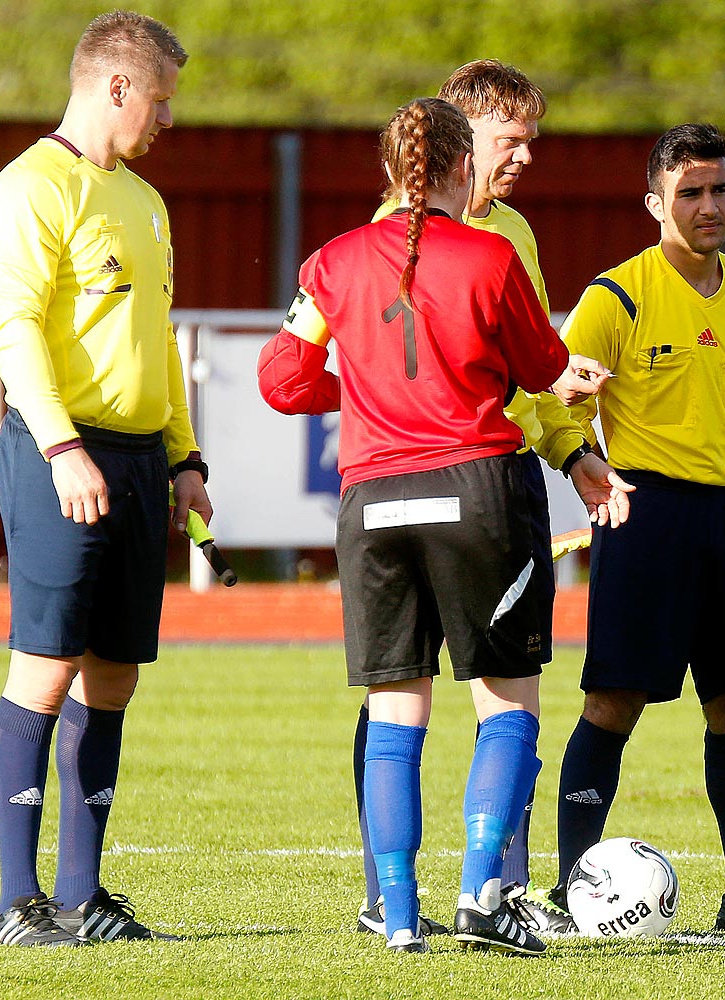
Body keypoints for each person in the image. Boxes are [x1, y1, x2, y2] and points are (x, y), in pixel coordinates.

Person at [256, 97, 586, 955]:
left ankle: (399, 918)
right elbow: (542, 366)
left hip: (372, 502)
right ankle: (484, 894)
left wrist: (366, 387)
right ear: (459, 167)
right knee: (507, 698)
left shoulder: (332, 260)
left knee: (397, 710)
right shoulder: (490, 254)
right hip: (476, 489)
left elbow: (283, 381)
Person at [351, 59, 627, 940]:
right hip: (465, 484)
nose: (525, 160)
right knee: (461, 698)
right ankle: (404, 893)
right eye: (512, 142)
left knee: (442, 698)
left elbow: (527, 374)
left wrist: (573, 452)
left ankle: (478, 894)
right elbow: (534, 365)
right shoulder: (394, 237)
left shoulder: (513, 234)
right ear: (460, 138)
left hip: (437, 482)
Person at [547, 123, 725, 933]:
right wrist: (581, 459)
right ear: (654, 203)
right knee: (614, 700)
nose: (710, 206)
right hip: (645, 514)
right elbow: (546, 394)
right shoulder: (616, 296)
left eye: (721, 190)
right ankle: (573, 891)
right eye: (691, 192)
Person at [0, 10, 211, 947]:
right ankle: (14, 901)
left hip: (138, 460)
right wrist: (62, 446)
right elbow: (15, 329)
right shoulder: (30, 187)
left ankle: (81, 895)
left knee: (112, 678)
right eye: (159, 99)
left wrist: (184, 459)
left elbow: (157, 338)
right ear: (116, 86)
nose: (166, 119)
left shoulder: (147, 203)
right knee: (45, 666)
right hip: (57, 453)